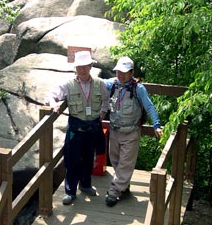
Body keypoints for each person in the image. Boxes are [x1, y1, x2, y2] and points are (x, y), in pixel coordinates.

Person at [44, 50, 110, 204]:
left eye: (85, 66)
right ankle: (70, 191)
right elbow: (50, 95)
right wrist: (53, 104)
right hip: (76, 128)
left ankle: (86, 185)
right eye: (79, 67)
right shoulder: (68, 85)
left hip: (92, 127)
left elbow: (107, 99)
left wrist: (103, 111)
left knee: (88, 158)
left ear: (90, 66)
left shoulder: (100, 84)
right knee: (72, 160)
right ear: (75, 68)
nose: (82, 69)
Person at [104, 56, 162, 207]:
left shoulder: (139, 89)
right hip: (115, 131)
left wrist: (156, 124)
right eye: (118, 71)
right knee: (115, 160)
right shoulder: (112, 84)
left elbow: (149, 106)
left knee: (125, 163)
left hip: (131, 132)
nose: (120, 74)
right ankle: (123, 185)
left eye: (124, 72)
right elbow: (95, 85)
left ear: (132, 72)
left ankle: (114, 191)